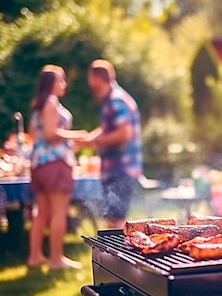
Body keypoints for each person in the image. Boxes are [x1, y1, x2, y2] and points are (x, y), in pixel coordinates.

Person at [28, 65, 88, 269]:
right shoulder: (52, 103)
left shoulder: (38, 105)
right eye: (61, 80)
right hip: (55, 164)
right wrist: (77, 134)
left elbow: (36, 137)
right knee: (59, 212)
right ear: (53, 83)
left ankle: (35, 257)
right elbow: (52, 134)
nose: (64, 84)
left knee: (42, 211)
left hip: (38, 164)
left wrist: (69, 143)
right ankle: (56, 259)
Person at [85, 59, 142, 229]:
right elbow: (107, 129)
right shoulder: (113, 98)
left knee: (115, 222)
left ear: (96, 78)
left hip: (121, 169)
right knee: (112, 219)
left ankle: (117, 255)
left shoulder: (116, 100)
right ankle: (115, 254)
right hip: (118, 169)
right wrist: (87, 140)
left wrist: (95, 140)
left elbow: (124, 133)